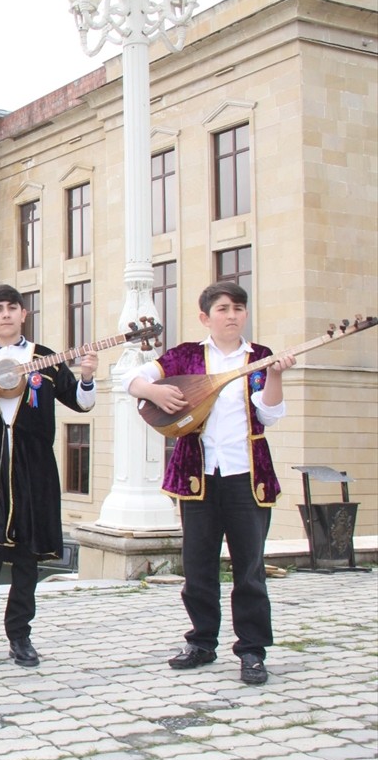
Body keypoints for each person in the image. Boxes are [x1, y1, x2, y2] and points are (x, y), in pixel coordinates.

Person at [126, 282, 294, 685]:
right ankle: (201, 642)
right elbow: (133, 378)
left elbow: (269, 416)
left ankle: (252, 650)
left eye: (238, 307)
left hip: (246, 476)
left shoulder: (260, 358)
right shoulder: (185, 356)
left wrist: (273, 376)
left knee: (249, 568)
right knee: (199, 567)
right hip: (198, 477)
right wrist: (153, 391)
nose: (231, 315)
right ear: (206, 317)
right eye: (222, 308)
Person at [0, 284, 97, 669]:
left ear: (24, 314)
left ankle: (20, 638)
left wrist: (88, 375)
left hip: (34, 466)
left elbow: (81, 402)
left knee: (27, 557)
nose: (6, 314)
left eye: (13, 308)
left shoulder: (46, 360)